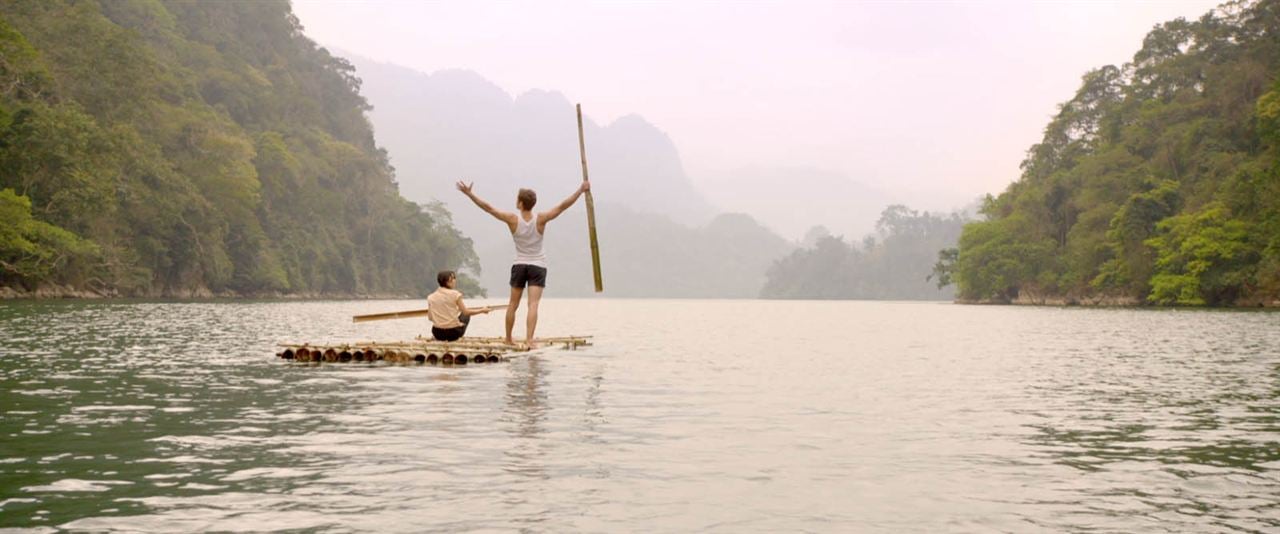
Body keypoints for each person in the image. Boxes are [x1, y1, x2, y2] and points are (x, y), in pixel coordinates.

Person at [456, 179, 590, 347]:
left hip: (520, 265)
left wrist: (470, 194)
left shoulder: (513, 219)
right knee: (533, 304)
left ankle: (508, 338)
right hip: (537, 266)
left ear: (520, 203)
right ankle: (529, 339)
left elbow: (489, 208)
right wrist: (580, 190)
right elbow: (562, 206)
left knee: (513, 304)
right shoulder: (541, 219)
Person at [427, 270, 493, 341]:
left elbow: (430, 317)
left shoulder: (431, 297)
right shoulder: (455, 294)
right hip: (453, 333)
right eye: (454, 278)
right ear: (449, 280)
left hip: (437, 333)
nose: (455, 280)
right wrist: (482, 310)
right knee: (465, 316)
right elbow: (466, 312)